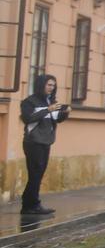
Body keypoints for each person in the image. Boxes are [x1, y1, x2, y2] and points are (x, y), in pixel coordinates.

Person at [18, 73, 71, 217]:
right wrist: (48, 109)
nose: (51, 88)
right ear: (41, 85)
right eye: (49, 85)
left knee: (38, 173)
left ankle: (30, 203)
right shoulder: (29, 102)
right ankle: (32, 204)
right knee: (35, 173)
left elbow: (56, 120)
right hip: (33, 142)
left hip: (46, 141)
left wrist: (65, 113)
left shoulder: (51, 101)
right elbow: (28, 118)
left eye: (53, 85)